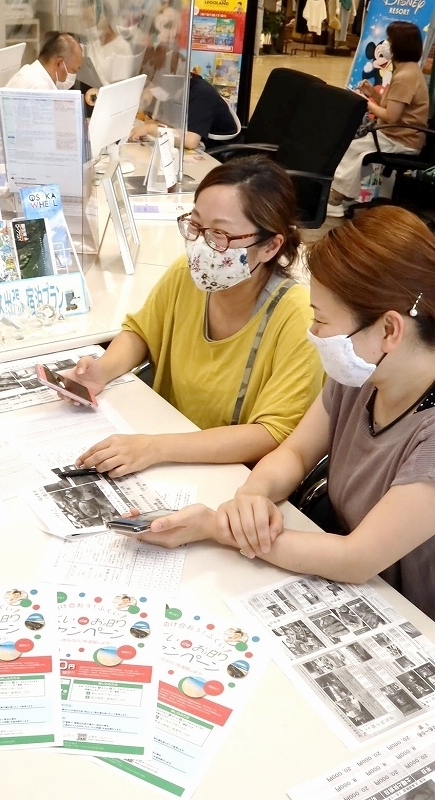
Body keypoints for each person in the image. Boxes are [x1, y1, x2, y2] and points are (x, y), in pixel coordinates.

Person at [134, 206, 435, 622]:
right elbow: (294, 454)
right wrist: (253, 497)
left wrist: (219, 527)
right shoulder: (362, 374)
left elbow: (357, 559)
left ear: (389, 330)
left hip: (411, 617)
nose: (313, 333)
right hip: (344, 578)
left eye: (322, 320)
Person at [69, 156, 323, 477]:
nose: (202, 245)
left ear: (270, 246)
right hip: (164, 446)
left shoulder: (297, 317)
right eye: (196, 225)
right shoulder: (187, 274)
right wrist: (102, 370)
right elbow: (143, 332)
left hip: (230, 475)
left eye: (220, 234)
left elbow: (271, 433)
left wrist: (155, 448)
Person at [327, 21, 428, 217]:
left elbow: (391, 116)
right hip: (397, 134)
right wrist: (372, 93)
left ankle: (336, 198)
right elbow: (392, 106)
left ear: (400, 44)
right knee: (356, 149)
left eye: (390, 40)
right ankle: (343, 195)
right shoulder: (408, 70)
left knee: (352, 149)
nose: (385, 44)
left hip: (401, 138)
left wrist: (366, 103)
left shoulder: (405, 75)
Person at [0, 31, 84, 165]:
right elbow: (48, 144)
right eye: (73, 71)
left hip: (7, 160)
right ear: (59, 63)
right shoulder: (37, 87)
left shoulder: (30, 73)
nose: (72, 77)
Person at [129, 72, 239, 149]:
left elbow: (191, 140)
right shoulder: (176, 89)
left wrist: (150, 129)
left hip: (217, 153)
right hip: (194, 146)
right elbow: (163, 123)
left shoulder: (201, 94)